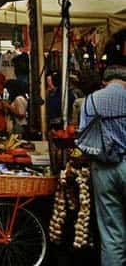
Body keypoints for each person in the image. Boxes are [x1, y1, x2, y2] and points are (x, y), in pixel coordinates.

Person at [77, 63, 126, 266]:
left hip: (102, 170)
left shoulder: (90, 101)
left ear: (104, 82)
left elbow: (82, 135)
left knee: (111, 233)